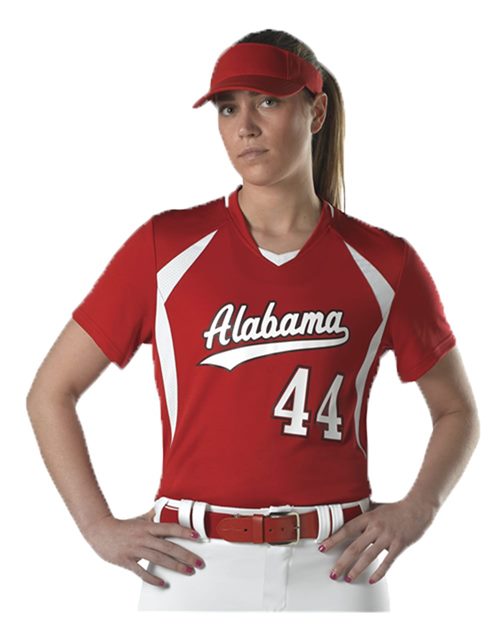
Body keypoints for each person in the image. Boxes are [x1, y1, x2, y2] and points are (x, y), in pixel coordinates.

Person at [26, 29, 480, 612]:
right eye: (228, 107)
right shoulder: (165, 248)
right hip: (192, 564)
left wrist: (419, 507)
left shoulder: (385, 261)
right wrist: (97, 526)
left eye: (268, 101)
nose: (245, 125)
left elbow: (456, 410)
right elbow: (51, 391)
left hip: (338, 566)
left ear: (316, 112)